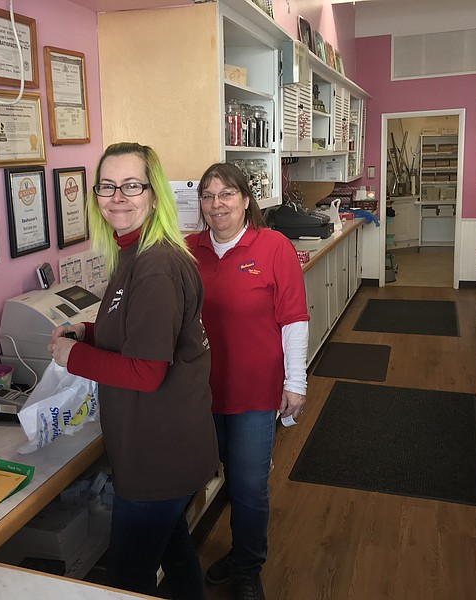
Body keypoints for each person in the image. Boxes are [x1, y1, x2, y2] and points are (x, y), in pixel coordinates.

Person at [48, 142, 218, 600]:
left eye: (131, 185)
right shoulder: (135, 252)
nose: (117, 196)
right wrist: (86, 332)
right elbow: (139, 329)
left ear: (153, 193)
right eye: (107, 186)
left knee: (127, 579)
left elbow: (146, 372)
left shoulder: (156, 266)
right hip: (162, 445)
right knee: (175, 552)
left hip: (159, 454)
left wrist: (73, 357)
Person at [186, 163, 309, 600]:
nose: (216, 205)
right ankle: (235, 555)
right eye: (208, 196)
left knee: (249, 486)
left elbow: (294, 319)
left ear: (245, 199)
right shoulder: (187, 250)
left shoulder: (273, 246)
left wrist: (296, 383)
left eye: (226, 195)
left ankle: (248, 566)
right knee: (213, 476)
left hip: (256, 390)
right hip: (200, 392)